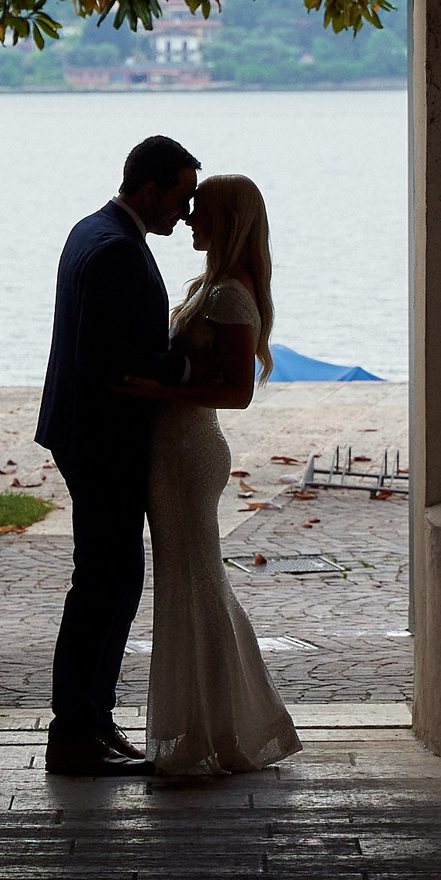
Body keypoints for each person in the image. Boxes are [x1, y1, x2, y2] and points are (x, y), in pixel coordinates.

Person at [113, 174, 302, 775]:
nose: (190, 220)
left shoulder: (228, 296)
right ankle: (218, 725)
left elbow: (238, 392)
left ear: (227, 222)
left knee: (196, 585)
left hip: (189, 455)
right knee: (193, 585)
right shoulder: (213, 287)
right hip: (178, 450)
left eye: (201, 213)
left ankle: (225, 728)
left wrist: (162, 386)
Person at [35, 135, 199, 777]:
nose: (183, 215)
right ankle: (74, 734)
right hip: (101, 441)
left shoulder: (92, 229)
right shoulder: (117, 252)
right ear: (150, 189)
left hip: (84, 434)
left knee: (108, 582)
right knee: (104, 586)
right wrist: (187, 365)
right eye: (180, 198)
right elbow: (107, 363)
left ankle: (90, 725)